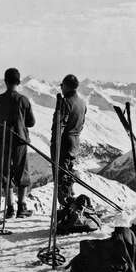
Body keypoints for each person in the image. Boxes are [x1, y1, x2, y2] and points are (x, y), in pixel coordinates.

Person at [0, 68, 35, 218]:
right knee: (21, 172)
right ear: (18, 82)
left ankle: (9, 208)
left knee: (5, 173)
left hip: (2, 140)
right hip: (20, 140)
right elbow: (31, 122)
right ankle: (21, 207)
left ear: (5, 81)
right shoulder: (23, 100)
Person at [51, 74, 87, 206]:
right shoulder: (82, 103)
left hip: (63, 144)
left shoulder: (65, 102)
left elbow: (59, 125)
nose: (60, 87)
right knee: (68, 176)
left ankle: (67, 206)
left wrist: (55, 145)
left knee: (61, 179)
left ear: (66, 86)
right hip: (75, 144)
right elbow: (81, 124)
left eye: (61, 85)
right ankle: (71, 205)